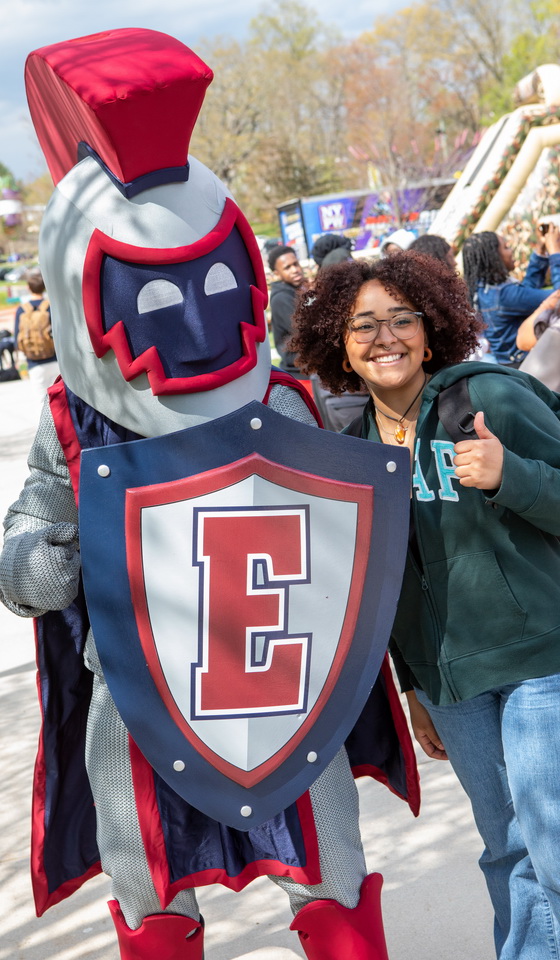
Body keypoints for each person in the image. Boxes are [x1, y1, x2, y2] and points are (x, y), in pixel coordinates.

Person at [0, 29, 419, 960]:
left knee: (333, 874)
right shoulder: (78, 426)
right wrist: (51, 551)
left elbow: (370, 512)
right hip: (144, 706)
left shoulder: (286, 401)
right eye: (151, 296)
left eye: (215, 281)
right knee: (148, 890)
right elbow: (27, 562)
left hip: (288, 694)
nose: (191, 316)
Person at [290, 251, 560, 959]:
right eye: (362, 326)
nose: (384, 338)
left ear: (431, 327)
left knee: (553, 847)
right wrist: (413, 687)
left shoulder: (489, 401)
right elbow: (389, 584)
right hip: (451, 687)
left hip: (542, 663)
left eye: (399, 320)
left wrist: (513, 476)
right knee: (505, 849)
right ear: (338, 344)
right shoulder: (351, 453)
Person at [462, 227, 560, 365]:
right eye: (506, 247)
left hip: (512, 364)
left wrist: (541, 252)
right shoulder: (503, 295)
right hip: (527, 363)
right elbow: (557, 297)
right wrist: (555, 252)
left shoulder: (485, 289)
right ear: (494, 257)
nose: (511, 250)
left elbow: (526, 293)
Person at [13, 266, 59, 401]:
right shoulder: (50, 306)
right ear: (44, 287)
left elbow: (17, 337)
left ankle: (45, 422)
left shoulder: (22, 310)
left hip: (34, 362)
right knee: (58, 399)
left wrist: (18, 359)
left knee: (41, 400)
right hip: (54, 359)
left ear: (28, 288)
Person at [268, 245, 308, 379]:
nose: (295, 270)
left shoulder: (299, 290)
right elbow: (305, 331)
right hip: (300, 372)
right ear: (277, 274)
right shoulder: (281, 298)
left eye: (295, 264)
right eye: (287, 267)